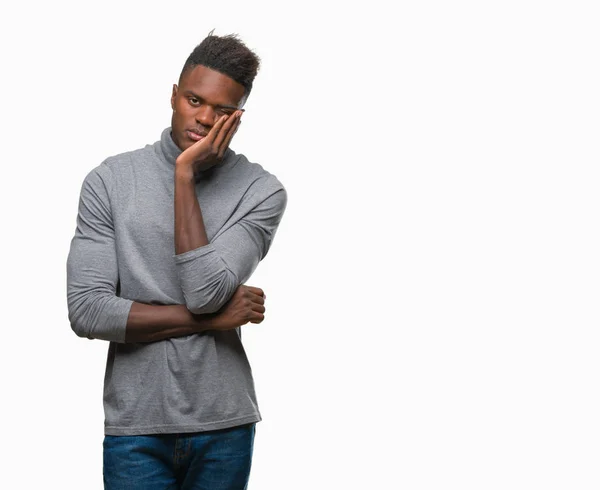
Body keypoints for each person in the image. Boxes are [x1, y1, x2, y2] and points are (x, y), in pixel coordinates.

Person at [66, 31, 287, 489]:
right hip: (137, 425)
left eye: (223, 111)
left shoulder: (261, 191)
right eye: (193, 99)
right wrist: (210, 322)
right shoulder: (109, 181)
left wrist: (184, 174)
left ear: (239, 116)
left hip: (223, 423)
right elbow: (87, 310)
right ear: (174, 93)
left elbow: (205, 292)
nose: (204, 118)